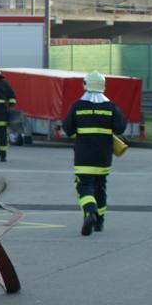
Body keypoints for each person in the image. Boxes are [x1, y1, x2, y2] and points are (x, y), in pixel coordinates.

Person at [61, 71, 127, 235]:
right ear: (103, 86)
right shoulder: (111, 107)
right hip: (103, 156)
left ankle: (90, 212)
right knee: (100, 186)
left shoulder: (77, 106)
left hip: (84, 156)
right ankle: (99, 222)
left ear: (85, 85)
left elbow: (68, 129)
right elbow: (120, 127)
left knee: (84, 185)